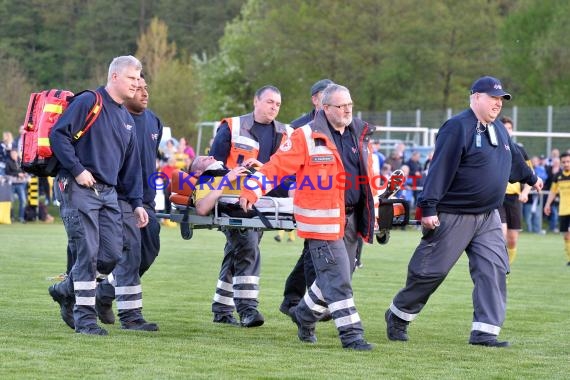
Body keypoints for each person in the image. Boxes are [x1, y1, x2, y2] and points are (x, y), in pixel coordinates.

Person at [385, 76, 542, 348]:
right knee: (430, 272)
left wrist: (529, 177)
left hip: (489, 215)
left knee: (493, 269)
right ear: (475, 97)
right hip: (454, 214)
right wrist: (429, 206)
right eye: (492, 98)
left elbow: (513, 157)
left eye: (500, 99)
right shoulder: (457, 127)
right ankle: (398, 314)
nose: (497, 103)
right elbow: (440, 168)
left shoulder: (500, 130)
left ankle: (485, 332)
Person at [240, 84, 376, 351]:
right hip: (321, 222)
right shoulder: (304, 136)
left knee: (336, 277)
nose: (348, 109)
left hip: (352, 219)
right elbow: (276, 167)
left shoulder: (359, 134)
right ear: (325, 108)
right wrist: (252, 189)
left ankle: (303, 314)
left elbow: (367, 178)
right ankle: (352, 335)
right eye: (341, 105)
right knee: (338, 280)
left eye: (350, 104)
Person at [48, 55, 148, 336]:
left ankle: (65, 290)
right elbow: (59, 135)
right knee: (88, 253)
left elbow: (131, 168)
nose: (136, 84)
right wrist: (78, 169)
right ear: (114, 77)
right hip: (79, 187)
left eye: (138, 79)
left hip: (109, 194)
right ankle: (85, 321)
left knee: (111, 255)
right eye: (131, 78)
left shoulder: (126, 119)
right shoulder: (89, 101)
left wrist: (137, 203)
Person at [208, 85, 292, 327]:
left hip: (262, 202)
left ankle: (222, 310)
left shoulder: (285, 133)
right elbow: (213, 168)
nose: (274, 107)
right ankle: (247, 309)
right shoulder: (232, 127)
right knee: (246, 245)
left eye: (277, 104)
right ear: (256, 101)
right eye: (269, 102)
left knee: (237, 250)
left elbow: (285, 174)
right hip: (231, 200)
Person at [95, 73, 163, 331]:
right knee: (131, 254)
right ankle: (131, 317)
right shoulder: (115, 118)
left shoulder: (155, 121)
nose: (144, 93)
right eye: (138, 88)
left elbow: (149, 160)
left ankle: (104, 293)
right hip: (121, 196)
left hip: (146, 199)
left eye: (147, 88)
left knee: (149, 251)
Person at [279, 79, 334, 315]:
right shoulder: (297, 128)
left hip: (332, 199)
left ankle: (293, 298)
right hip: (308, 198)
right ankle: (315, 304)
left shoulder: (339, 125)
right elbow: (282, 161)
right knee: (315, 249)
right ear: (315, 99)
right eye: (326, 95)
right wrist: (291, 185)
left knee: (312, 250)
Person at [498, 116, 532, 265]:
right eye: (504, 128)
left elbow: (530, 174)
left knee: (512, 239)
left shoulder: (519, 150)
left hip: (514, 199)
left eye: (509, 128)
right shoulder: (493, 147)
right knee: (501, 233)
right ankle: (498, 266)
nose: (507, 131)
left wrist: (525, 192)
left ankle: (506, 267)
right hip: (497, 197)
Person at [544, 152, 570, 266]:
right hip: (563, 210)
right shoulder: (558, 176)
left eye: (568, 161)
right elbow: (553, 191)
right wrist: (547, 204)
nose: (566, 164)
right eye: (564, 162)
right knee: (566, 236)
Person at [4, 149, 28, 223]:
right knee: (11, 201)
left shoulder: (20, 161)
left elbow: (24, 170)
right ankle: (11, 217)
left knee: (23, 201)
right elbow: (7, 172)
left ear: (17, 154)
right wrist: (17, 174)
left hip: (21, 184)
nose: (13, 155)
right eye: (12, 154)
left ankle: (21, 217)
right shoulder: (8, 162)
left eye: (14, 154)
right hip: (12, 184)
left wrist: (24, 174)